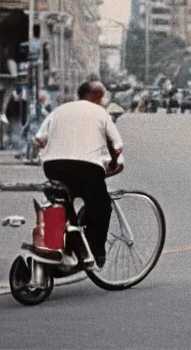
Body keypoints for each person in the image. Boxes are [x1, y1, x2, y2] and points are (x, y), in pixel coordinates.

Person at [34, 80, 124, 268]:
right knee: (101, 205)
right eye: (101, 95)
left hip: (53, 165)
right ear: (97, 96)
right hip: (86, 168)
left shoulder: (59, 110)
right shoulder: (101, 112)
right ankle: (94, 251)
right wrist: (112, 164)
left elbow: (40, 139)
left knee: (60, 205)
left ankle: (57, 248)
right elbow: (116, 146)